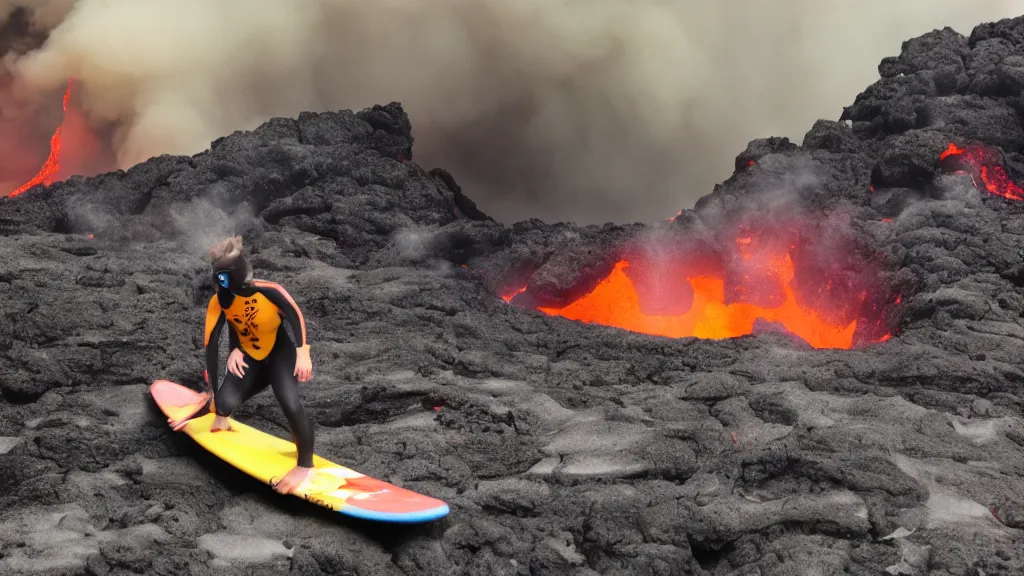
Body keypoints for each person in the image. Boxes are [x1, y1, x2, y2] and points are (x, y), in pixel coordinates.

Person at [168, 235, 315, 495]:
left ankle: (305, 466)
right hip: (251, 360)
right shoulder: (219, 302)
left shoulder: (268, 290)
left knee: (290, 402)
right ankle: (224, 417)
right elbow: (211, 348)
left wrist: (303, 352)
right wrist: (210, 398)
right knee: (222, 406)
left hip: (280, 356)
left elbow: (294, 314)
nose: (222, 285)